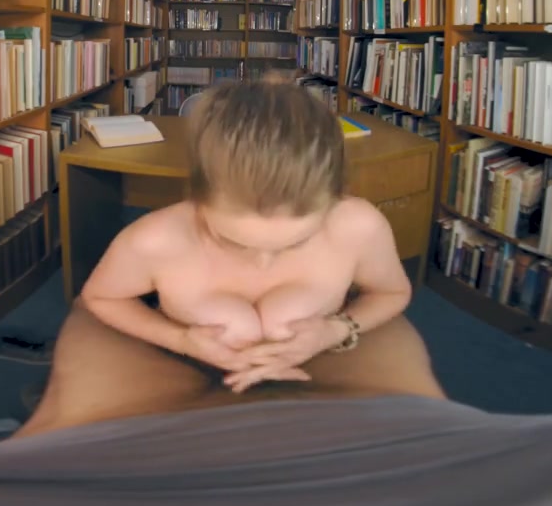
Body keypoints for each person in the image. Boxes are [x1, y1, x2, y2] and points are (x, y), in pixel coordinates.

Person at [59, 81, 428, 399]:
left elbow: (392, 292)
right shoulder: (156, 239)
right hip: (183, 372)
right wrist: (180, 340)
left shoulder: (357, 224)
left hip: (321, 368)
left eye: (295, 242)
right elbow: (101, 297)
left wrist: (337, 329)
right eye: (234, 242)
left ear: (333, 197)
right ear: (199, 196)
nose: (263, 260)